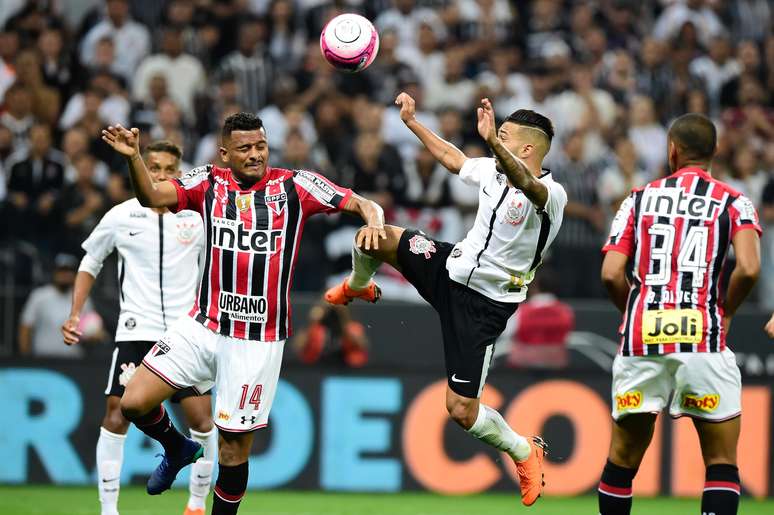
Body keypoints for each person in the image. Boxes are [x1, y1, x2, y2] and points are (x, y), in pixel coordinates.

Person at [100, 113, 384, 515]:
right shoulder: (207, 182)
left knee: (233, 450)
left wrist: (372, 219)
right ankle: (177, 447)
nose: (255, 155)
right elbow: (152, 197)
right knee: (132, 402)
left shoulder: (294, 185)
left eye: (261, 146)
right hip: (204, 324)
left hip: (258, 341)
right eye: (245, 148)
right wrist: (133, 158)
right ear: (225, 153)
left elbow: (362, 202)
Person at [325, 92, 567, 506]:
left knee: (461, 411)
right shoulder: (492, 170)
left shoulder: (551, 195)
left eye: (503, 135)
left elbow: (525, 183)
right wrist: (413, 124)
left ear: (527, 148)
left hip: (484, 304)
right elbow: (454, 159)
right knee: (372, 234)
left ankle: (524, 451)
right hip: (449, 266)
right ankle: (359, 283)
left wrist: (492, 142)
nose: (493, 139)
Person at [597, 113, 761, 515]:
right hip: (703, 335)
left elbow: (611, 274)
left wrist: (636, 312)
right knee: (720, 460)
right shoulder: (735, 201)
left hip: (641, 337)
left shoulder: (636, 199)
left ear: (672, 150)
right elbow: (750, 268)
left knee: (622, 457)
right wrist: (726, 312)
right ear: (715, 152)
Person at [61, 140, 216, 515]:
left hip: (186, 332)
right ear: (144, 170)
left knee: (202, 420)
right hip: (136, 329)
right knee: (117, 414)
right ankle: (108, 509)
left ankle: (196, 505)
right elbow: (90, 261)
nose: (161, 175)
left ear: (180, 173)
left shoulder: (196, 216)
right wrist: (75, 313)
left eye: (169, 169)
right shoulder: (122, 215)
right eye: (155, 168)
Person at [20, 253, 102, 358]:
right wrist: (25, 358)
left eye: (69, 271)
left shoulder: (83, 299)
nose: (65, 274)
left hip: (73, 361)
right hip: (42, 360)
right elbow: (26, 327)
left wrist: (94, 336)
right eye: (61, 270)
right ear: (54, 272)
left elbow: (91, 328)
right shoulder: (39, 296)